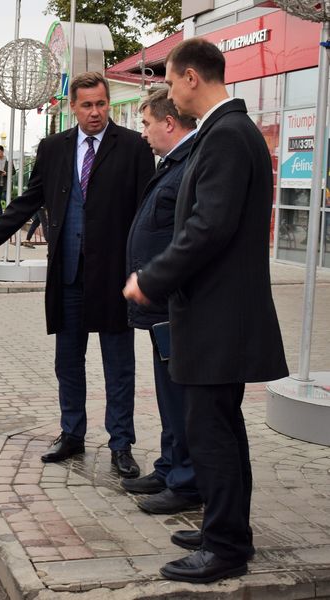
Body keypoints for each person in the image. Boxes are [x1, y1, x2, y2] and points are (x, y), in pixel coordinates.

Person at [124, 38, 288, 584]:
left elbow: (208, 227)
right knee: (221, 429)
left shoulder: (226, 136)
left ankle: (225, 548)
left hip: (219, 318)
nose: (169, 94)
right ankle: (225, 527)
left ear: (192, 77)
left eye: (171, 82)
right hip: (219, 316)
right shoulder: (228, 133)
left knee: (212, 432)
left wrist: (152, 278)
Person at [0, 72, 155, 479]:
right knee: (67, 360)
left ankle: (121, 444)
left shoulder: (132, 146)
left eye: (100, 104)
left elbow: (147, 212)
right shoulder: (54, 147)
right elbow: (28, 200)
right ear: (72, 108)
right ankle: (72, 433)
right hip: (67, 275)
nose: (95, 113)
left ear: (107, 103)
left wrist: (146, 272)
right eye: (86, 105)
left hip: (115, 278)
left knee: (119, 364)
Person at [122, 87, 200, 515]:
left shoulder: (189, 165)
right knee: (167, 394)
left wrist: (154, 279)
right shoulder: (172, 164)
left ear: (168, 123)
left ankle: (187, 480)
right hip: (159, 307)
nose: (144, 133)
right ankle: (171, 466)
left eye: (147, 123)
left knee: (179, 395)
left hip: (173, 304)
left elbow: (188, 239)